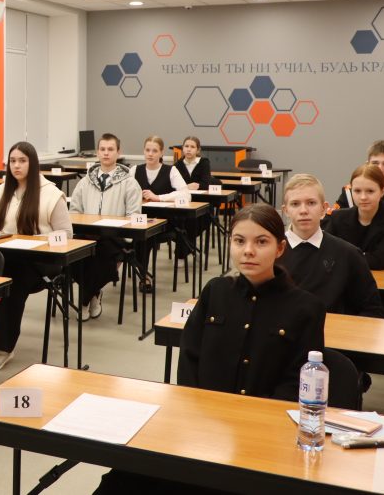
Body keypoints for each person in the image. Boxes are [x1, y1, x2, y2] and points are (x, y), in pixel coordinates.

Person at [93, 204, 325, 494]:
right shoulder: (215, 291)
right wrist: (198, 420)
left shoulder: (305, 308)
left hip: (262, 438)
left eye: (261, 242)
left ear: (279, 248)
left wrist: (255, 423)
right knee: (122, 476)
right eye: (239, 241)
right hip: (201, 430)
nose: (248, 251)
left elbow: (297, 382)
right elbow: (190, 359)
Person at [0, 141, 72, 372]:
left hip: (42, 262)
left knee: (11, 276)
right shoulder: (0, 191)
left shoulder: (51, 194)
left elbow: (66, 235)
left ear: (33, 163)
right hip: (7, 256)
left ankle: (2, 347)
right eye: (12, 161)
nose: (16, 166)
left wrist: (37, 242)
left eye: (22, 161)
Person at [281, 174, 384, 317]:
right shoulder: (271, 253)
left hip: (333, 329)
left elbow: (372, 309)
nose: (303, 210)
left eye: (311, 203)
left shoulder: (348, 254)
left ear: (324, 208)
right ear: (285, 210)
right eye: (295, 204)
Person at [68, 133, 142, 320]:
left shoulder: (130, 183)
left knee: (101, 257)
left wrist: (123, 235)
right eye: (102, 149)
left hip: (115, 238)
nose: (106, 153)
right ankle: (94, 294)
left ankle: (84, 302)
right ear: (97, 152)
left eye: (110, 149)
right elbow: (74, 211)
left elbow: (134, 216)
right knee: (76, 257)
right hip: (87, 236)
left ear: (118, 152)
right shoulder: (85, 182)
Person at [133, 135, 191, 289]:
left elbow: (186, 194)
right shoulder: (135, 170)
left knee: (145, 237)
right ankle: (137, 271)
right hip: (140, 220)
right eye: (147, 150)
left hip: (165, 222)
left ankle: (144, 277)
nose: (150, 154)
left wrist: (158, 197)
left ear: (161, 153)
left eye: (154, 151)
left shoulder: (171, 170)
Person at [322, 165, 384, 271]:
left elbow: (379, 261)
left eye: (370, 191)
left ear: (382, 192)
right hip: (343, 276)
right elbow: (326, 253)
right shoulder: (338, 217)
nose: (363, 197)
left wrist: (343, 256)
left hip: (378, 278)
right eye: (357, 191)